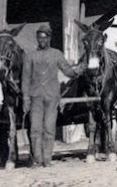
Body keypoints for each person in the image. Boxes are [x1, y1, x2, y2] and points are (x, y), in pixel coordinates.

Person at [21, 23, 84, 167]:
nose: (42, 40)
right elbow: (25, 79)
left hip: (52, 98)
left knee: (49, 128)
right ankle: (37, 159)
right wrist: (25, 98)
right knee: (35, 129)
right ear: (37, 38)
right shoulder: (30, 56)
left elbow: (67, 70)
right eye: (40, 37)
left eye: (45, 37)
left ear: (49, 38)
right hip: (35, 97)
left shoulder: (56, 54)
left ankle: (47, 160)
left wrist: (79, 69)